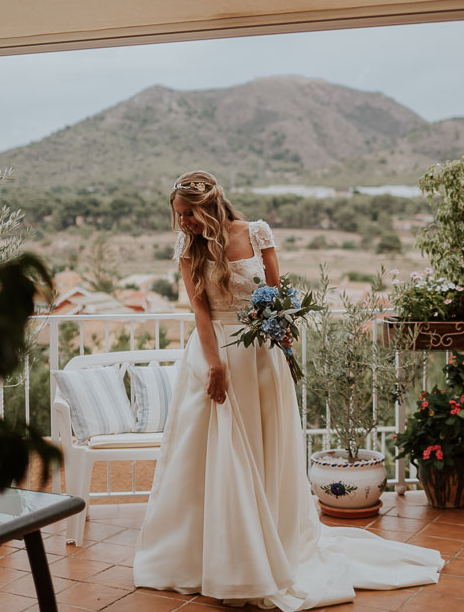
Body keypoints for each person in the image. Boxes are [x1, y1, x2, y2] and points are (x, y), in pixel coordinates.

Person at [133, 171, 443, 610]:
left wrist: (282, 338)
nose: (182, 222)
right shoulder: (188, 248)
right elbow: (200, 313)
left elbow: (277, 298)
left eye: (188, 214)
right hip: (215, 355)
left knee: (264, 452)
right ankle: (218, 558)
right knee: (219, 457)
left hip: (261, 357)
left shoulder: (257, 234)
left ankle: (269, 544)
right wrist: (215, 365)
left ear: (208, 207)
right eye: (178, 215)